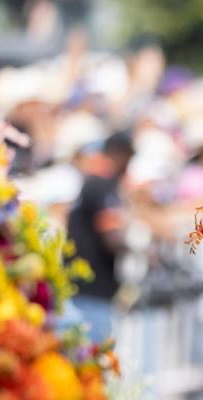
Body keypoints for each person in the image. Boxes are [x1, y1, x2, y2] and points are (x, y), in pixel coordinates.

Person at [67, 131, 133, 343]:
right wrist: (137, 245)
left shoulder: (93, 181)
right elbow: (112, 238)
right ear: (122, 155)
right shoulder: (103, 183)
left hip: (80, 288)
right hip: (92, 291)